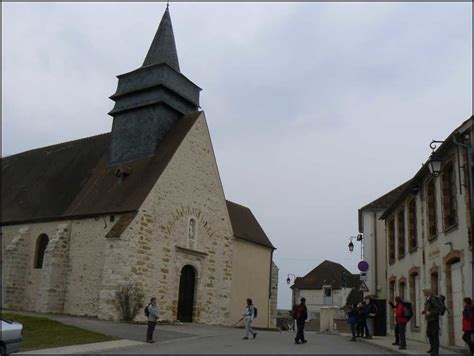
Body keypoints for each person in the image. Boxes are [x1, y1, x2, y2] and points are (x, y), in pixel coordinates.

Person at [422, 288, 440, 355]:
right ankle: (432, 348)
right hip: (429, 320)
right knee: (429, 334)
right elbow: (429, 308)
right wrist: (424, 311)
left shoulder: (432, 299)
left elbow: (437, 309)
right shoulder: (428, 299)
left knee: (435, 335)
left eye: (424, 292)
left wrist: (430, 313)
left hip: (434, 320)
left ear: (428, 292)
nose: (423, 293)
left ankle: (435, 351)